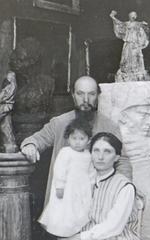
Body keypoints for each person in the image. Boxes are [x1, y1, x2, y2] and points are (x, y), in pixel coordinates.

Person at [20, 76, 132, 205]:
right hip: (63, 202)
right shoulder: (59, 123)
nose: (86, 100)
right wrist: (30, 145)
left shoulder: (110, 126)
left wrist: (122, 189)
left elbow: (122, 161)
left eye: (91, 94)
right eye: (80, 94)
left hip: (96, 201)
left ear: (98, 97)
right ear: (73, 96)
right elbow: (38, 139)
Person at [68, 132, 140, 240]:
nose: (100, 157)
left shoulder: (124, 186)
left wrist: (80, 237)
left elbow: (114, 226)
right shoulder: (84, 182)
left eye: (107, 152)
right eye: (96, 151)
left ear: (116, 157)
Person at [38, 118, 96, 237]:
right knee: (65, 211)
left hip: (82, 189)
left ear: (89, 140)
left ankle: (76, 232)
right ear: (68, 138)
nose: (77, 142)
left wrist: (91, 187)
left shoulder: (88, 155)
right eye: (74, 138)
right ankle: (63, 233)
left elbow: (91, 173)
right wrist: (60, 186)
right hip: (67, 188)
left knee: (79, 211)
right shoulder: (66, 152)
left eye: (81, 138)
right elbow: (59, 170)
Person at [110, 10, 149, 82]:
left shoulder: (138, 24)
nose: (133, 17)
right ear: (129, 16)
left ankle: (136, 73)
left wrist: (145, 27)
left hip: (135, 45)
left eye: (134, 15)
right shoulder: (126, 24)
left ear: (136, 16)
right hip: (128, 44)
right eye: (131, 15)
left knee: (135, 58)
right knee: (126, 58)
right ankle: (125, 73)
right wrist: (113, 17)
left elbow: (143, 33)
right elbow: (119, 24)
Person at [0, 71, 18, 152]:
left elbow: (4, 96)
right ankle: (10, 144)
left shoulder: (11, 86)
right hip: (5, 107)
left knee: (6, 125)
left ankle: (10, 144)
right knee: (6, 125)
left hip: (5, 106)